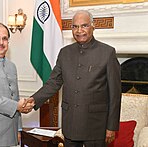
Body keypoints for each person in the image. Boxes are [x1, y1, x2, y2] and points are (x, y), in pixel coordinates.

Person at [27, 10, 121, 147]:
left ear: (93, 26)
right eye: (75, 26)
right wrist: (34, 100)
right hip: (70, 124)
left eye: (84, 26)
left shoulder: (107, 53)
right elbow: (53, 83)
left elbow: (115, 94)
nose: (79, 30)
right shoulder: (65, 53)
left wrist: (111, 127)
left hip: (96, 125)